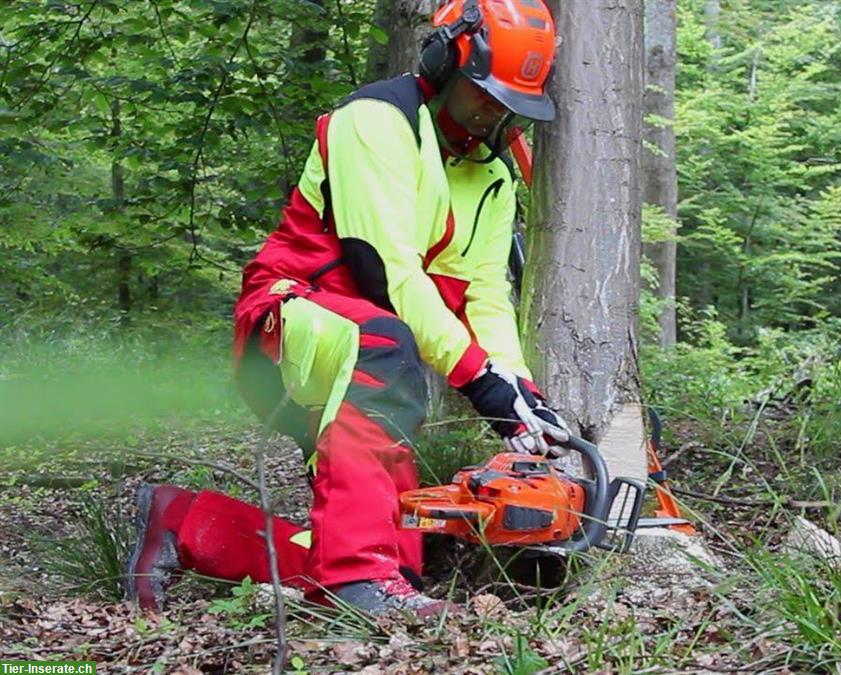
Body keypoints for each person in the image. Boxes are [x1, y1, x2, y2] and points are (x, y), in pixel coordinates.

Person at [125, 0, 567, 618]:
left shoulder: (490, 175)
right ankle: (360, 580)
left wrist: (517, 390)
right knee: (382, 348)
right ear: (444, 62)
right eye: (484, 93)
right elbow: (386, 271)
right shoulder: (376, 121)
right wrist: (478, 380)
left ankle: (184, 522)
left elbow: (486, 294)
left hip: (374, 362)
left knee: (389, 553)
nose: (495, 111)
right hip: (288, 321)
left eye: (509, 103)